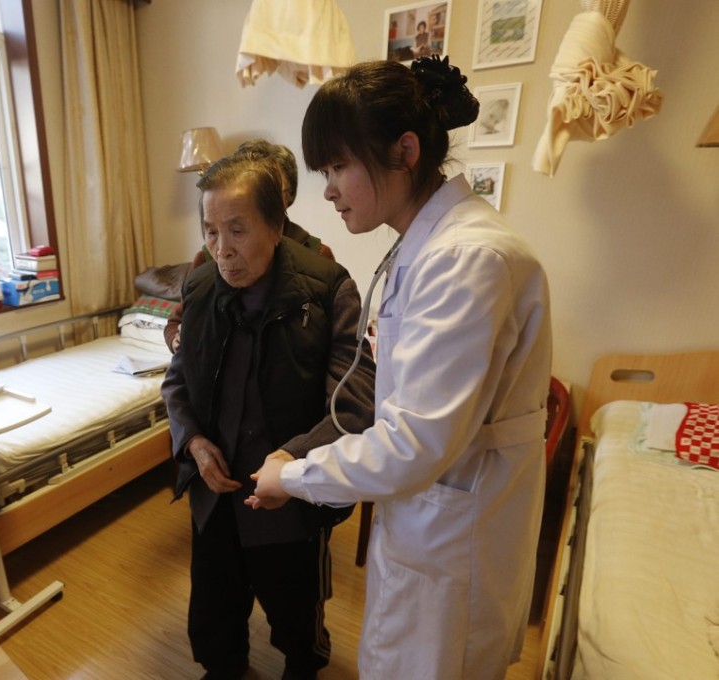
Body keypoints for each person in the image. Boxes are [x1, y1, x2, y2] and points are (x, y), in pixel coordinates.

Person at [246, 55, 553, 680]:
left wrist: (294, 475)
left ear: (405, 151)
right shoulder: (429, 247)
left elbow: (415, 442)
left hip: (453, 535)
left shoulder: (467, 258)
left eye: (338, 166)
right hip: (432, 519)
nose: (328, 189)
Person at [161, 153, 375, 680]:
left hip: (291, 497)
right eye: (211, 231)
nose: (222, 249)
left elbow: (353, 404)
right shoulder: (199, 287)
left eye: (237, 230)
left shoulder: (328, 288)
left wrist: (291, 461)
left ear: (277, 226)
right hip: (215, 493)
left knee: (297, 618)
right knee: (215, 613)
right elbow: (177, 381)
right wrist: (193, 442)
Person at [163, 139, 333, 353]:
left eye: (272, 188)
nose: (224, 251)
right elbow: (178, 322)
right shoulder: (207, 261)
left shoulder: (316, 257)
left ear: (288, 196)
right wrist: (179, 343)